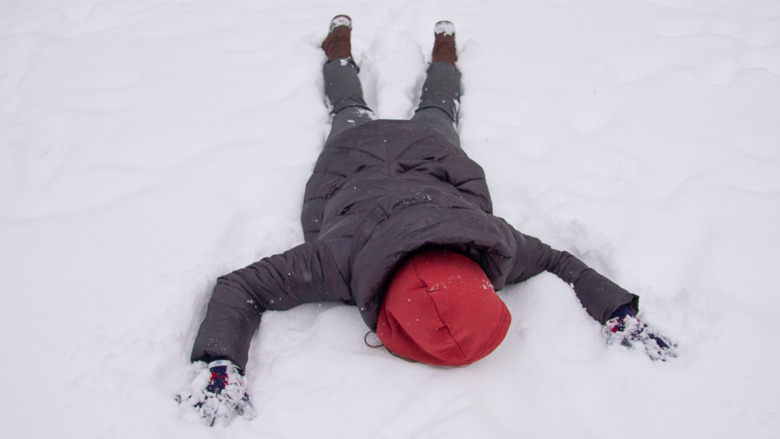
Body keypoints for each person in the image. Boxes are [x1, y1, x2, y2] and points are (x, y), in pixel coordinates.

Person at [177, 15, 677, 426]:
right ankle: (379, 51)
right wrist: (222, 366)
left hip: (418, 153)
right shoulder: (340, 260)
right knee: (359, 108)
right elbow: (242, 288)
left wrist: (618, 312)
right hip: (368, 156)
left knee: (430, 109)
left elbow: (559, 261)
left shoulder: (491, 242)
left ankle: (406, 50)